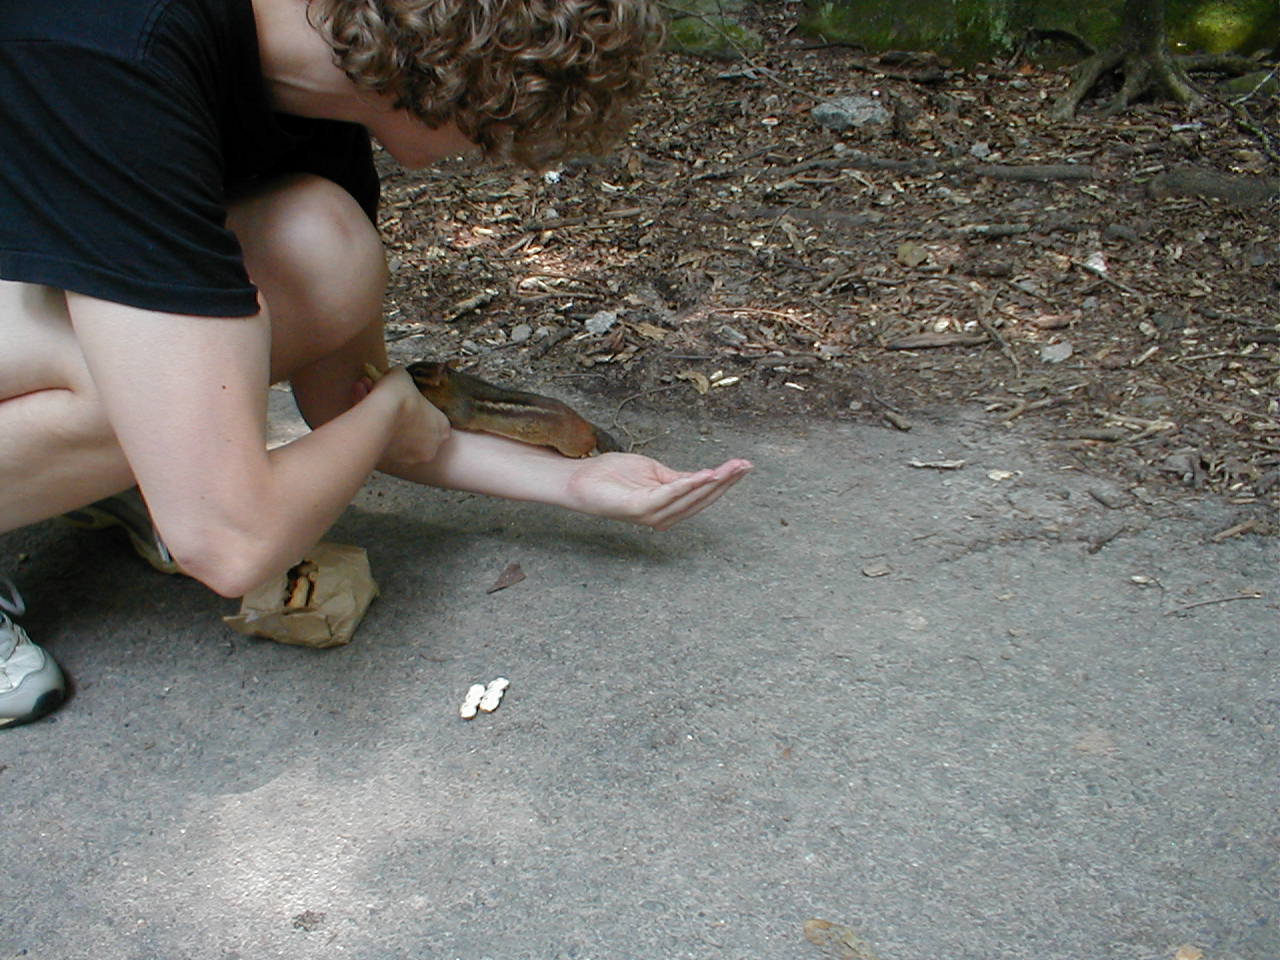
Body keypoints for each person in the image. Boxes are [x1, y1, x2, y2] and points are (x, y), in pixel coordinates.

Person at [0, 0, 752, 728]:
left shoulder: (313, 95)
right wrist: (390, 408)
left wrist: (573, 484)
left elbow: (345, 404)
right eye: (507, 132)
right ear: (467, 86)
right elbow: (231, 544)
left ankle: (134, 468)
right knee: (144, 396)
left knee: (321, 247)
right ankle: (155, 470)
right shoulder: (119, 52)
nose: (495, 157)